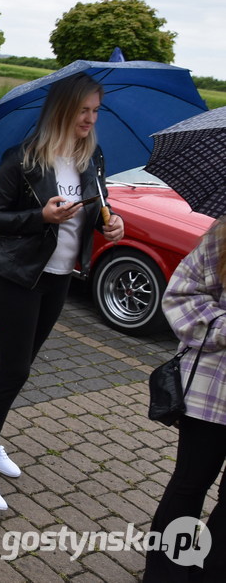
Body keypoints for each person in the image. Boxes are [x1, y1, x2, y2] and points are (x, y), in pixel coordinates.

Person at [0, 72, 125, 511]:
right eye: (82, 111)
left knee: (23, 367)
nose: (90, 119)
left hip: (58, 277)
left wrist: (112, 223)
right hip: (16, 275)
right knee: (13, 370)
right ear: (62, 111)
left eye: (95, 111)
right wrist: (40, 217)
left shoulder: (94, 159)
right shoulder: (24, 159)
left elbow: (98, 208)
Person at [143, 220, 226, 580]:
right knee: (190, 483)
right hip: (214, 393)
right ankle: (165, 573)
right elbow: (181, 296)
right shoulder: (221, 240)